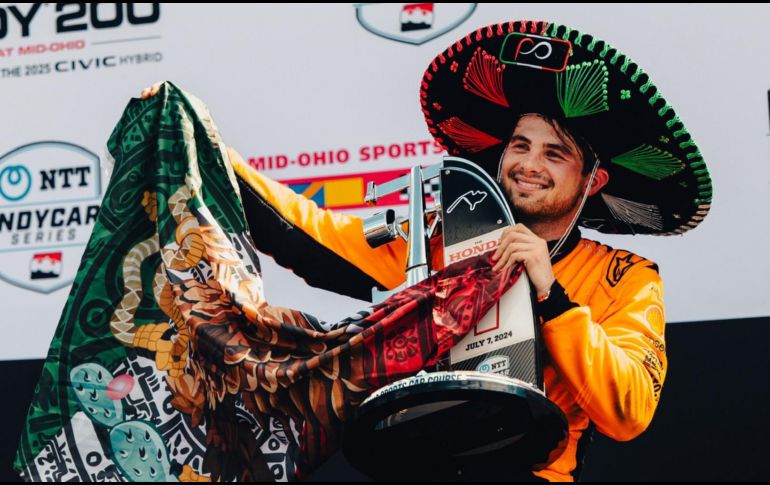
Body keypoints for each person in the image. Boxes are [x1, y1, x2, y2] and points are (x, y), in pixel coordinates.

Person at [140, 19, 711, 482]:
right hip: (418, 464)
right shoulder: (448, 240)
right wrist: (199, 142)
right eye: (519, 145)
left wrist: (550, 293)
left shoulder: (626, 278)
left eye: (555, 153)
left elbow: (629, 412)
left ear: (595, 180)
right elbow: (311, 235)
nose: (528, 164)